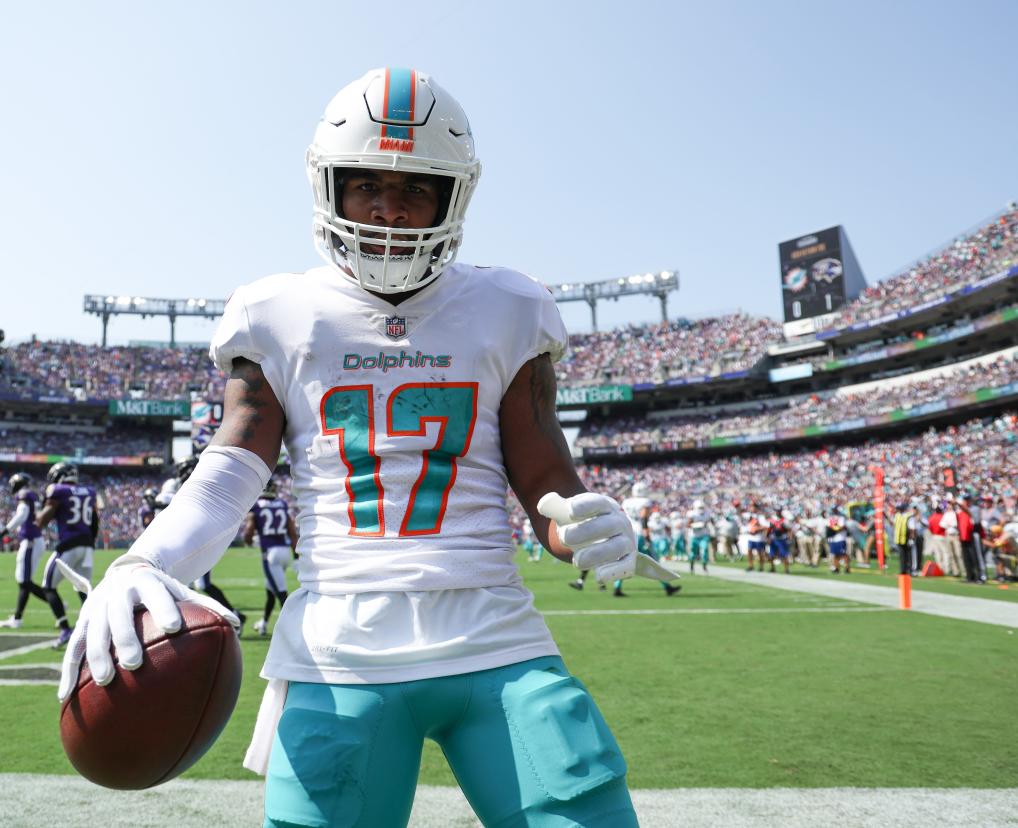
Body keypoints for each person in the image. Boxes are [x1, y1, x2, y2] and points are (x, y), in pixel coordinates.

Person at [58, 67, 676, 826]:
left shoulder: (509, 306)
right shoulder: (280, 311)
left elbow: (545, 479)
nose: (387, 209)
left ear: (454, 197)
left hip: (496, 638)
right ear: (330, 188)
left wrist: (584, 523)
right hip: (337, 651)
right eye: (365, 186)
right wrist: (151, 558)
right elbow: (234, 463)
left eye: (415, 188)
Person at [160, 452, 246, 627]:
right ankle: (198, 621)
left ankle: (229, 616)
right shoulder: (189, 487)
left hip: (201, 541)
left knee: (198, 585)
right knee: (190, 585)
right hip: (194, 541)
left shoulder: (199, 487)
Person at [37, 462, 99, 647]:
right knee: (84, 589)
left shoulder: (57, 490)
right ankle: (96, 628)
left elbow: (43, 519)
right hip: (87, 545)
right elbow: (95, 521)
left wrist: (40, 514)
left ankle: (65, 629)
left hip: (69, 544)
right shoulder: (89, 491)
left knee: (48, 586)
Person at [0, 472, 53, 629]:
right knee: (24, 582)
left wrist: (4, 532)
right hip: (34, 540)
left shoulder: (24, 495)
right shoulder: (32, 495)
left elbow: (21, 515)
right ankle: (18, 617)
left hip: (30, 542)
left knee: (24, 581)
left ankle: (55, 603)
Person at [243, 479, 299, 637]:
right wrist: (295, 557)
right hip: (285, 552)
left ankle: (295, 629)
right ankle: (264, 624)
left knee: (282, 594)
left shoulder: (257, 506)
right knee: (270, 591)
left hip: (271, 555)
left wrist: (249, 541)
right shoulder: (282, 504)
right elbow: (292, 532)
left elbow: (248, 532)